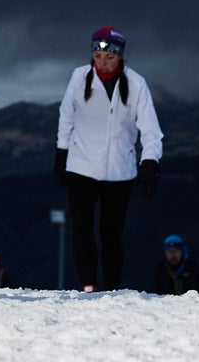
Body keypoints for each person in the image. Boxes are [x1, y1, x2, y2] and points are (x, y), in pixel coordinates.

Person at [55, 26, 164, 292]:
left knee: (111, 233)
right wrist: (61, 151)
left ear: (120, 56)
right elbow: (66, 115)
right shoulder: (79, 77)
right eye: (97, 55)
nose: (102, 62)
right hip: (81, 166)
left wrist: (150, 163)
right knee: (82, 227)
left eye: (109, 57)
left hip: (120, 171)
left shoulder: (136, 84)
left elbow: (151, 130)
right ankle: (88, 286)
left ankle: (112, 289)